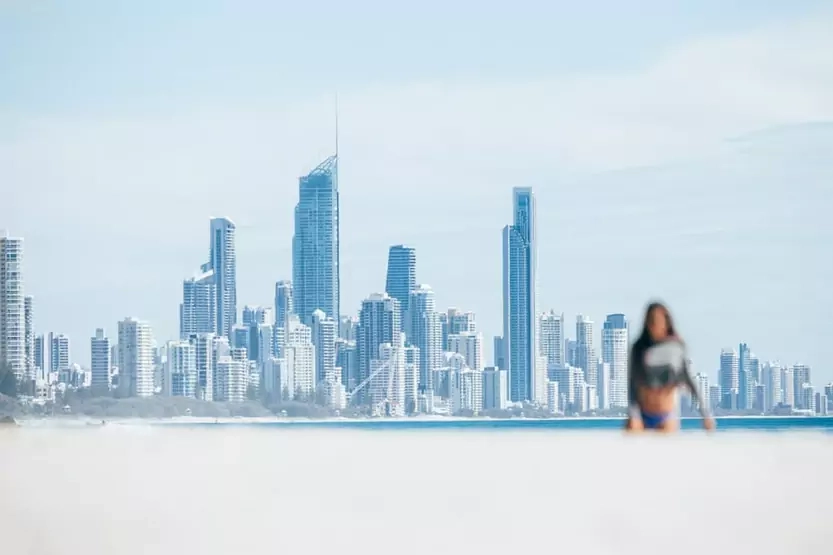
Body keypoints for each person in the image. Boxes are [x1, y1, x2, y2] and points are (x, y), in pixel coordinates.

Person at [626, 302, 715, 432]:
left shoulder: (676, 348)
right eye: (651, 320)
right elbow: (632, 384)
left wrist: (705, 414)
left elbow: (690, 381)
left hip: (666, 414)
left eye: (658, 320)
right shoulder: (639, 348)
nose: (654, 325)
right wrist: (633, 414)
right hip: (642, 413)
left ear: (666, 322)